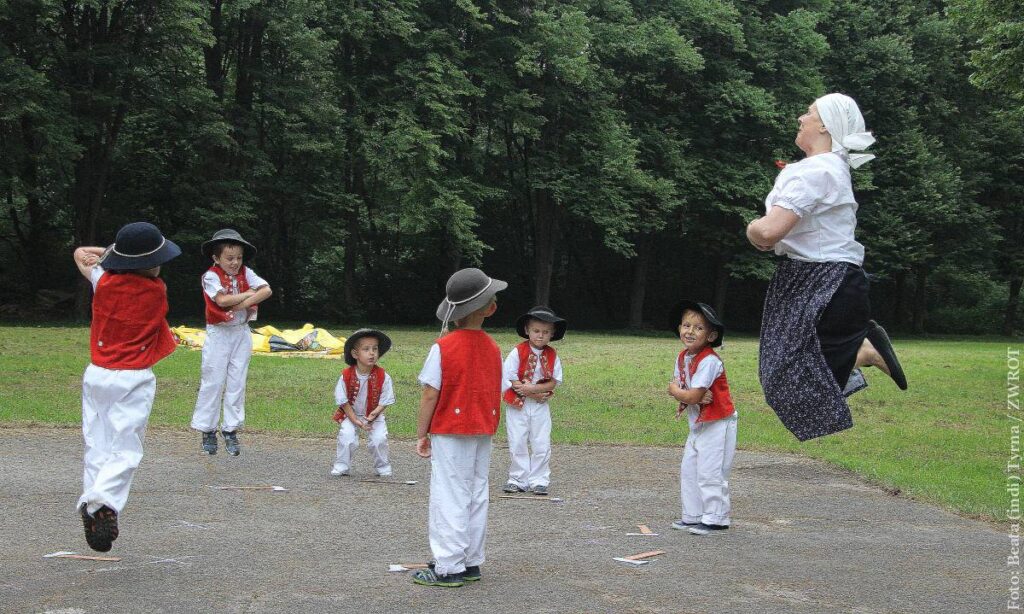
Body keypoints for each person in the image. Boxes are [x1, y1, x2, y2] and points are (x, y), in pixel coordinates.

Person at [746, 93, 907, 442]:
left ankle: (860, 350)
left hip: (822, 279)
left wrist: (753, 228)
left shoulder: (815, 170)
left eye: (808, 113)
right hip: (817, 277)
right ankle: (857, 353)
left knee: (781, 378)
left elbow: (770, 231)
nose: (801, 118)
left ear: (824, 125)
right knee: (781, 375)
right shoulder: (827, 169)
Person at [72, 222, 182, 551]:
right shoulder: (156, 290)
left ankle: (95, 508)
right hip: (133, 378)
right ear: (149, 263)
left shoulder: (103, 281)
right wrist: (115, 253)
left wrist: (112, 252)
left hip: (97, 373)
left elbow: (81, 255)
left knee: (98, 444)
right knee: (126, 448)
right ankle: (101, 502)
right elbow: (101, 259)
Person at [412, 268, 508, 588]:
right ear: (490, 309)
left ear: (454, 314)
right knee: (476, 493)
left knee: (449, 495)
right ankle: (470, 561)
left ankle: (448, 566)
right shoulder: (494, 348)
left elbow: (429, 393)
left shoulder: (443, 347)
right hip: (483, 428)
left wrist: (421, 433)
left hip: (450, 429)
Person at [190, 229, 272, 456]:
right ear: (216, 258)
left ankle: (231, 429)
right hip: (219, 333)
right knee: (213, 380)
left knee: (238, 380)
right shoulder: (210, 276)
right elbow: (222, 300)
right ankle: (207, 429)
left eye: (238, 258)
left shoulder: (247, 272)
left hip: (240, 331)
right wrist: (248, 295)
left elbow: (266, 290)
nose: (235, 262)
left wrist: (241, 304)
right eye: (229, 258)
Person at [666, 301, 737, 536]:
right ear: (679, 329)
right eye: (686, 325)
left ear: (711, 335)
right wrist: (685, 396)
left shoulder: (709, 360)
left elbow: (691, 393)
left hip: (718, 423)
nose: (690, 331)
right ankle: (693, 515)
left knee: (711, 471)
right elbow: (688, 390)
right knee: (690, 470)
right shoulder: (683, 357)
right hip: (699, 424)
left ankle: (716, 518)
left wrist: (678, 392)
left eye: (699, 328)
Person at [502, 306, 566, 496]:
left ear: (552, 334)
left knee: (541, 442)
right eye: (536, 331)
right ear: (527, 331)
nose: (540, 336)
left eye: (546, 332)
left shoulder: (553, 355)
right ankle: (517, 478)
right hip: (517, 405)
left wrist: (536, 390)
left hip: (540, 405)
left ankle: (539, 479)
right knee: (517, 440)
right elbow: (510, 377)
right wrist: (529, 391)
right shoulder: (517, 352)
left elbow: (554, 381)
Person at [331, 329, 395, 477]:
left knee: (379, 439)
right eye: (366, 349)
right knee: (347, 437)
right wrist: (355, 420)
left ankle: (383, 466)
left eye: (375, 349)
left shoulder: (383, 376)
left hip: (374, 415)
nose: (372, 353)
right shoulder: (345, 376)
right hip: (351, 414)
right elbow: (344, 402)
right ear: (355, 354)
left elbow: (385, 400)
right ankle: (341, 466)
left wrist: (374, 414)